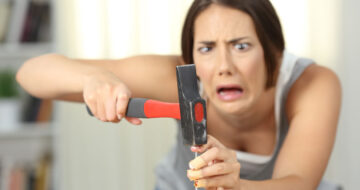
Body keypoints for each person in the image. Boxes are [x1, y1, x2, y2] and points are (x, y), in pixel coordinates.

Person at [16, 0, 341, 189]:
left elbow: (298, 182)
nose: (224, 66)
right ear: (190, 57)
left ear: (274, 51)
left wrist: (236, 185)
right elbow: (30, 73)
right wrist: (92, 77)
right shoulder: (177, 76)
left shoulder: (312, 84)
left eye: (241, 46)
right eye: (206, 48)